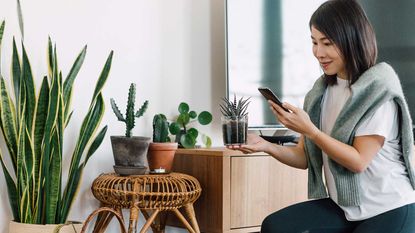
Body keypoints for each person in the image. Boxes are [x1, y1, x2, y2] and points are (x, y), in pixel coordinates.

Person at [230, 0, 415, 232]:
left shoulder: (378, 92)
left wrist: (311, 131)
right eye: (314, 42)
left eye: (327, 43)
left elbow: (358, 161)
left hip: (390, 207)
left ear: (351, 40)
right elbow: (304, 157)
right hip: (347, 208)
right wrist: (266, 145)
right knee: (275, 227)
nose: (318, 52)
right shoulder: (320, 93)